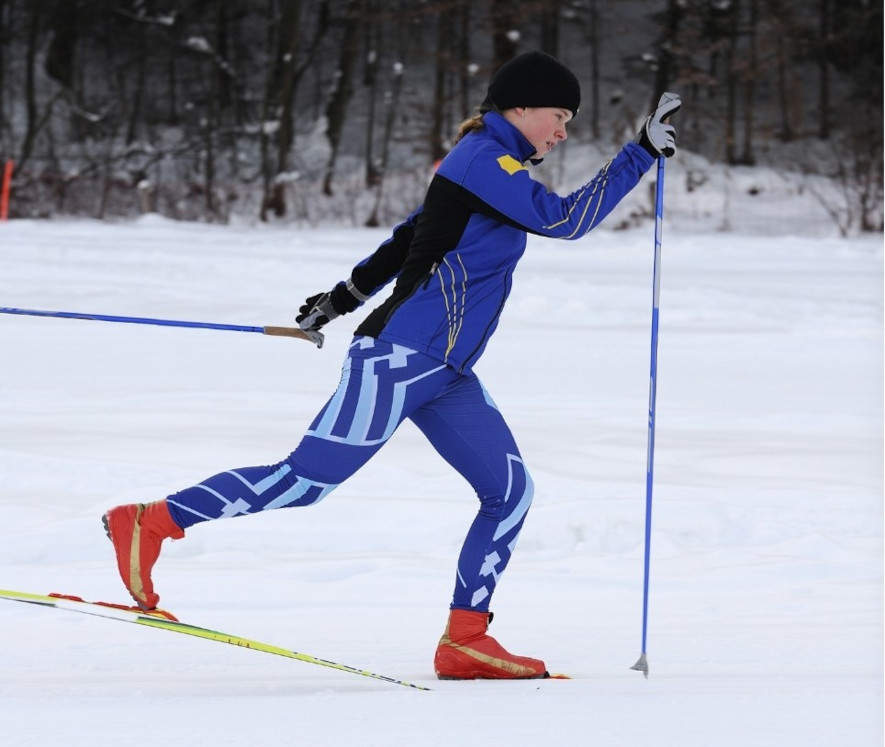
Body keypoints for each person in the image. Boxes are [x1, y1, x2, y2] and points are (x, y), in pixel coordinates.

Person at [103, 51, 680, 680]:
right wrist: (638, 154)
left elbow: (408, 240)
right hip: (401, 359)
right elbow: (564, 220)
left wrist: (339, 299)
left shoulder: (487, 167)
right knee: (305, 482)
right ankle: (151, 522)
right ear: (520, 106)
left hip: (447, 371)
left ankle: (465, 640)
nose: (563, 131)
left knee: (509, 493)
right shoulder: (483, 158)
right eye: (559, 115)